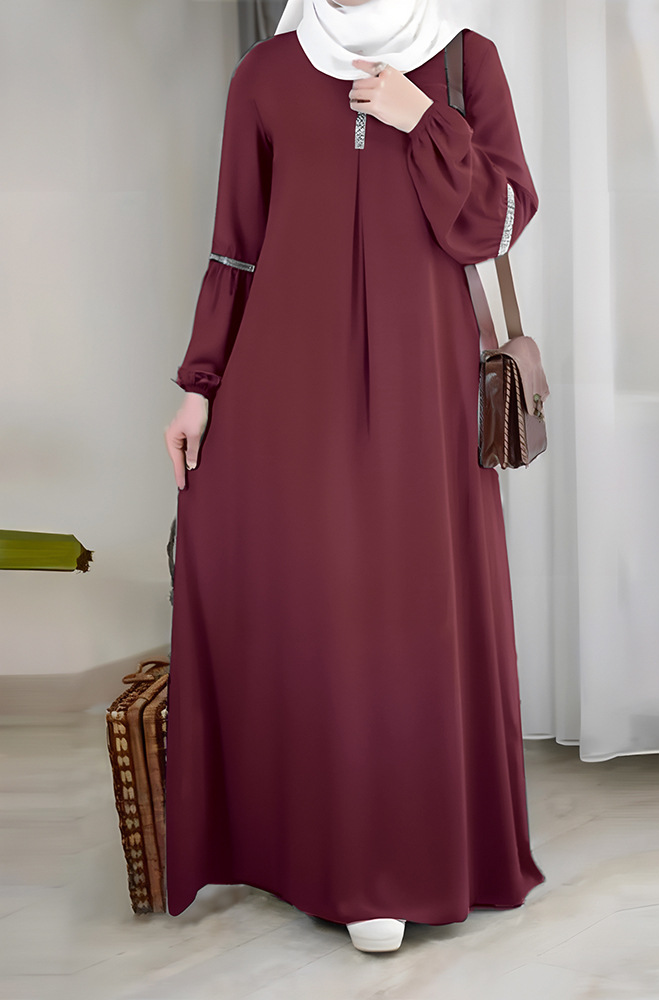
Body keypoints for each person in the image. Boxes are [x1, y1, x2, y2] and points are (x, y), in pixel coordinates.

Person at [163, 0, 545, 954]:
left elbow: (500, 222)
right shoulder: (265, 76)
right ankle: (327, 855)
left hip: (426, 383)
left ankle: (411, 854)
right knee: (317, 603)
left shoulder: (464, 60)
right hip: (288, 386)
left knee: (412, 602)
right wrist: (199, 388)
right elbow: (234, 245)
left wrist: (426, 120)